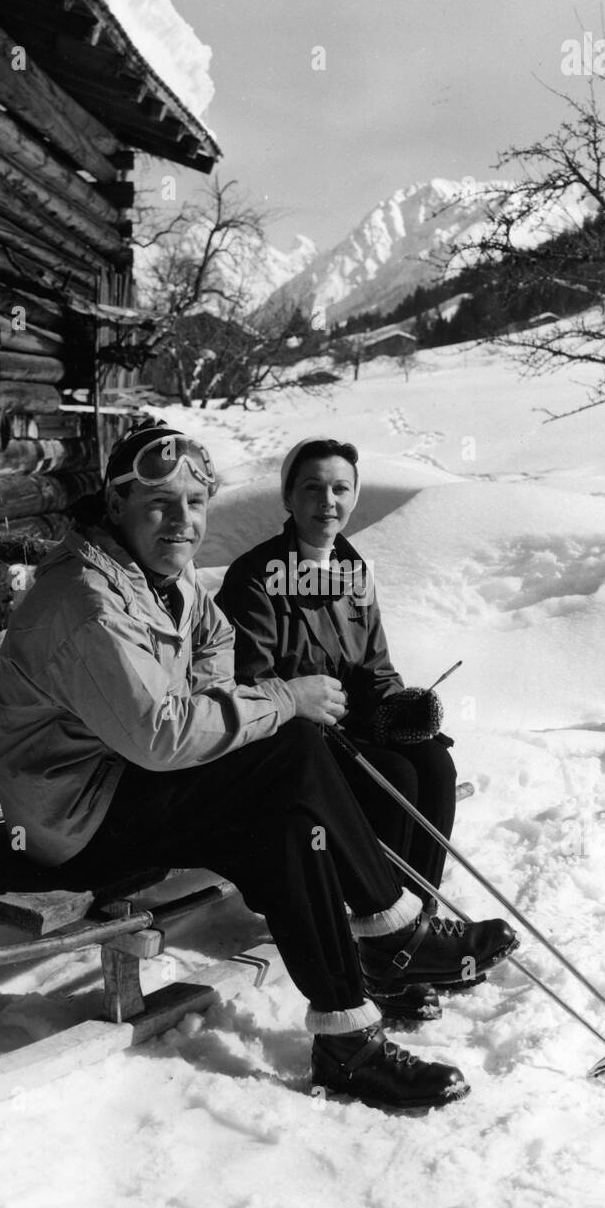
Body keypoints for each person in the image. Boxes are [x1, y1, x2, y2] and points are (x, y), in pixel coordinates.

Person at [0, 423, 516, 1111]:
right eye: (159, 504)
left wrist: (236, 704)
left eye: (196, 504)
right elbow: (163, 734)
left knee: (290, 822)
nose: (183, 522)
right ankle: (393, 932)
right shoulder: (89, 602)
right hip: (74, 818)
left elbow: (214, 647)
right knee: (293, 746)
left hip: (124, 780)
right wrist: (282, 700)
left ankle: (346, 1038)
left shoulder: (161, 579)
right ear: (115, 507)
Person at [216, 438, 463, 1024]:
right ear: (288, 496)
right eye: (313, 487)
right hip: (291, 738)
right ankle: (381, 942)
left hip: (351, 728)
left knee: (432, 763)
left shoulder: (352, 571)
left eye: (340, 488)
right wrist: (305, 703)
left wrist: (398, 707)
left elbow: (373, 668)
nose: (328, 500)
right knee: (394, 775)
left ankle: (414, 935)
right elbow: (249, 679)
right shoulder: (255, 577)